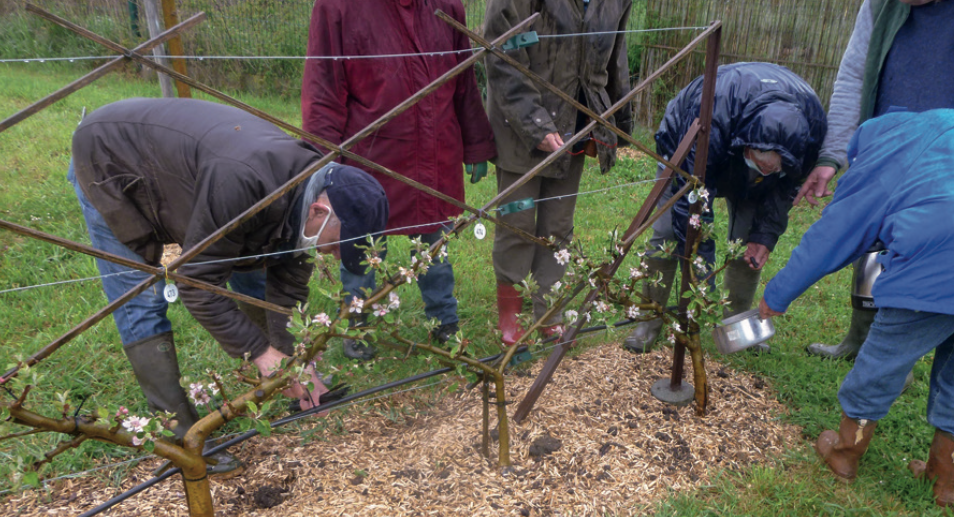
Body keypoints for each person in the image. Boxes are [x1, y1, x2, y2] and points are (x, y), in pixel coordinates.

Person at [760, 109, 954, 507]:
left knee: (884, 361)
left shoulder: (888, 149)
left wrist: (778, 294)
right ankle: (944, 483)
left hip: (950, 255)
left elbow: (835, 234)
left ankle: (844, 454)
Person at [70, 98, 389, 473]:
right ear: (320, 213)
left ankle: (278, 381)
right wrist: (261, 353)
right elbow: (196, 283)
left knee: (253, 269)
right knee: (140, 298)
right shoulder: (245, 182)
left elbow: (287, 285)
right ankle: (181, 436)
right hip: (111, 159)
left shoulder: (310, 191)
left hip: (191, 174)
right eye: (337, 244)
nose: (334, 256)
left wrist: (292, 365)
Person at [795, 0, 954, 362]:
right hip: (886, 153)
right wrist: (832, 155)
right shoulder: (880, 4)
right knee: (874, 252)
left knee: (927, 260)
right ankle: (862, 340)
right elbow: (854, 76)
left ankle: (896, 360)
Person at [301, 0, 497, 361]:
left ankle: (444, 322)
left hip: (436, 149)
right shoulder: (337, 7)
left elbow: (464, 79)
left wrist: (476, 143)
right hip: (371, 155)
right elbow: (323, 90)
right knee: (361, 243)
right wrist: (320, 161)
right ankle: (357, 326)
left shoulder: (446, 5)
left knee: (434, 240)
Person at [623, 63, 827, 354]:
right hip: (688, 148)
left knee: (748, 245)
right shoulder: (711, 114)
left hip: (742, 145)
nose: (767, 172)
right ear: (748, 144)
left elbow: (786, 188)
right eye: (762, 164)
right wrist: (703, 274)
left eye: (775, 168)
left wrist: (765, 235)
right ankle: (648, 319)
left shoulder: (808, 133)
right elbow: (689, 200)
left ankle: (737, 323)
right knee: (667, 234)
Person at [484, 0, 633, 345]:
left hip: (576, 125)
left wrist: (618, 121)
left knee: (558, 226)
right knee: (516, 223)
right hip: (519, 123)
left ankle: (548, 310)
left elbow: (616, 57)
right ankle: (512, 315)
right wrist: (534, 121)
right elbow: (502, 52)